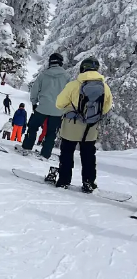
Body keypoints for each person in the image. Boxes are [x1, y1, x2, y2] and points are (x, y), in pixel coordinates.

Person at [48, 56, 112, 192]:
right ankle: (88, 182)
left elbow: (59, 103)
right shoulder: (104, 87)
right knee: (88, 156)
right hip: (91, 128)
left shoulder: (73, 85)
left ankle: (64, 180)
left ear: (82, 68)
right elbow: (106, 108)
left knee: (67, 154)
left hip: (71, 126)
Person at [21, 53, 71, 158]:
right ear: (61, 62)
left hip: (42, 107)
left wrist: (34, 103)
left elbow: (34, 90)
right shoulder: (66, 77)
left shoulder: (43, 75)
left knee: (33, 127)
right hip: (58, 110)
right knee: (51, 133)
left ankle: (27, 146)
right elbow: (69, 93)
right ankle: (46, 153)